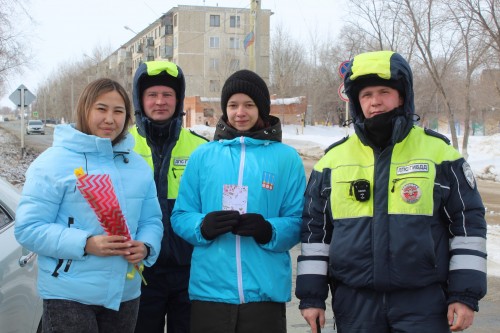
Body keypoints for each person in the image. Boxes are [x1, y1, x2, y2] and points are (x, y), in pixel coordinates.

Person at [295, 50, 487, 333]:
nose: (375, 101)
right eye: (366, 94)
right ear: (357, 101)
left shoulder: (439, 154)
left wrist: (465, 294)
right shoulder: (332, 161)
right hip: (355, 304)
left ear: (402, 96)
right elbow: (315, 233)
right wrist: (312, 297)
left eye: (384, 91)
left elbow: (467, 226)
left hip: (424, 303)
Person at [15, 78, 163, 333]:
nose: (110, 119)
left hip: (125, 295)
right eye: (101, 109)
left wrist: (147, 247)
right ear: (85, 110)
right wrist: (85, 243)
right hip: (69, 295)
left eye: (118, 111)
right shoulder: (52, 162)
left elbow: (152, 221)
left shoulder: (137, 165)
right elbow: (28, 228)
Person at [171, 69, 306, 333]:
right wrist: (202, 226)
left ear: (262, 109)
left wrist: (270, 230)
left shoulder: (286, 158)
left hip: (264, 294)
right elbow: (181, 215)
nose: (240, 112)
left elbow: (298, 219)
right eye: (233, 105)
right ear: (225, 109)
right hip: (210, 293)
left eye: (249, 105)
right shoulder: (203, 156)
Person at [130, 61, 208, 333]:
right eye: (152, 95)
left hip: (189, 272)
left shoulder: (201, 148)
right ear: (140, 100)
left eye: (167, 95)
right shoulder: (121, 146)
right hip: (137, 273)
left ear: (178, 100)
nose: (160, 101)